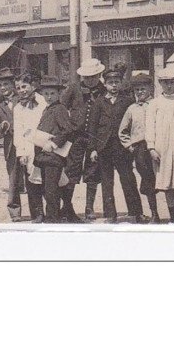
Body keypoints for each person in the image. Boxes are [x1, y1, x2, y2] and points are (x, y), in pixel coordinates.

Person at [88, 68, 147, 223]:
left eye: (116, 82)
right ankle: (110, 215)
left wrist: (131, 144)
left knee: (128, 179)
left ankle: (136, 213)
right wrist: (93, 149)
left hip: (122, 147)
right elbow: (92, 127)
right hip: (104, 147)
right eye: (110, 83)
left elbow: (133, 123)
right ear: (105, 84)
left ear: (121, 83)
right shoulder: (99, 102)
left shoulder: (127, 100)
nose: (114, 85)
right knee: (107, 182)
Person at [60, 58, 106, 223]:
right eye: (87, 77)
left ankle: (89, 207)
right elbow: (61, 107)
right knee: (72, 170)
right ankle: (67, 207)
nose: (90, 80)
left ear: (99, 75)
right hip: (76, 136)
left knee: (93, 171)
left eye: (93, 76)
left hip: (95, 137)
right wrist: (68, 125)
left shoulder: (103, 89)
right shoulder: (74, 88)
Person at [146, 68, 174, 224]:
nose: (169, 86)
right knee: (167, 184)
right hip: (163, 149)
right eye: (165, 83)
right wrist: (151, 147)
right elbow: (150, 126)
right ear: (160, 84)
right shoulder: (154, 103)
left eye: (172, 82)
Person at [118, 72, 161, 222]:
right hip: (140, 149)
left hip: (157, 147)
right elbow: (122, 131)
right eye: (137, 90)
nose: (140, 92)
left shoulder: (157, 105)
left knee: (164, 178)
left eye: (143, 89)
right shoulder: (132, 109)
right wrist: (130, 146)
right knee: (148, 179)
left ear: (150, 88)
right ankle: (155, 213)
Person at [34, 77, 75, 223]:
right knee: (47, 188)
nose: (49, 97)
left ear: (59, 94)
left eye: (52, 93)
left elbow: (67, 130)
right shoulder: (47, 109)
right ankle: (54, 216)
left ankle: (53, 219)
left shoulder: (60, 109)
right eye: (46, 94)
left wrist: (54, 143)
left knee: (51, 189)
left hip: (54, 155)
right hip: (45, 155)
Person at [11, 71, 45, 223]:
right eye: (18, 88)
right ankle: (36, 213)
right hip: (28, 148)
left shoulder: (43, 102)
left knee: (49, 181)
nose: (22, 90)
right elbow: (18, 132)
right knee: (31, 182)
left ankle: (54, 211)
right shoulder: (18, 108)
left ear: (33, 85)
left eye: (24, 86)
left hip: (45, 145)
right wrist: (21, 152)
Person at [0, 68, 23, 221]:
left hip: (27, 143)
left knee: (34, 178)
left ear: (12, 84)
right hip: (11, 146)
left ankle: (39, 212)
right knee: (13, 180)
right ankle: (14, 212)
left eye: (5, 84)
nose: (2, 88)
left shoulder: (23, 98)